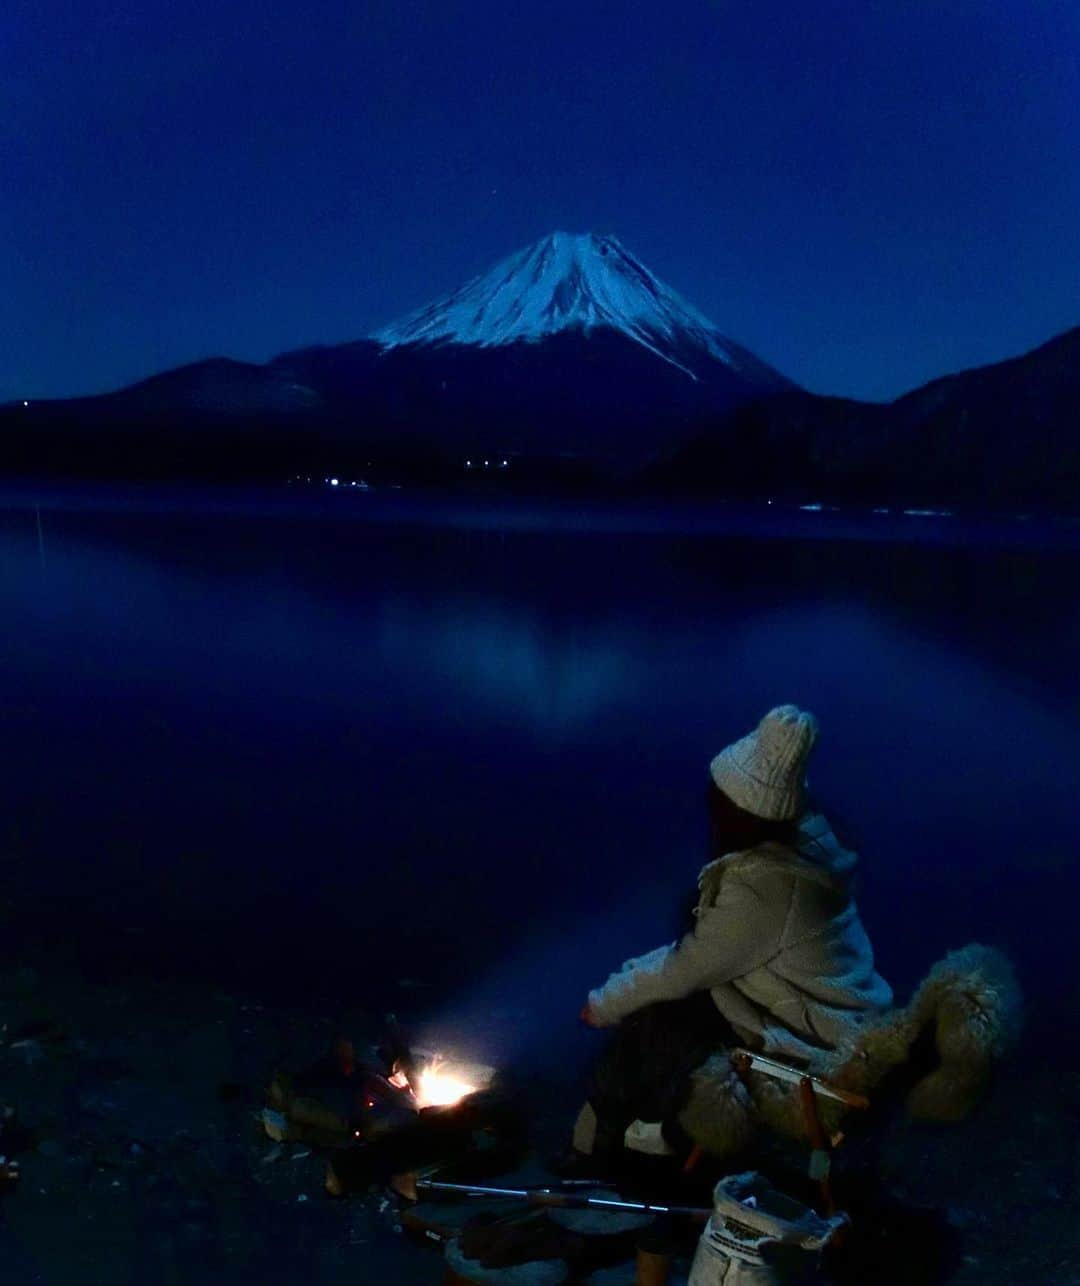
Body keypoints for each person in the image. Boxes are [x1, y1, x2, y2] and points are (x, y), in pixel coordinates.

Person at [569, 704, 892, 1167]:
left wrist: (603, 1003)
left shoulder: (768, 887)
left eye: (720, 803)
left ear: (746, 812)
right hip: (835, 1013)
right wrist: (625, 981)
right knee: (670, 993)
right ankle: (642, 1129)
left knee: (658, 1015)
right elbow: (706, 949)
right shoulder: (810, 846)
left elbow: (685, 968)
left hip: (816, 1039)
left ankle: (618, 1145)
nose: (711, 811)